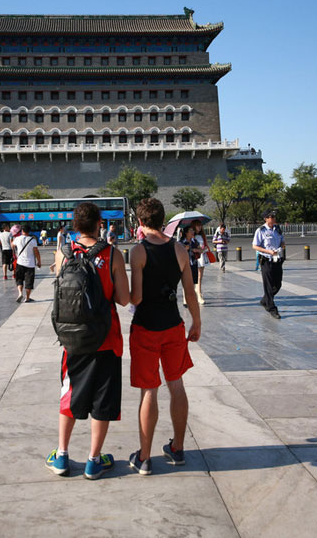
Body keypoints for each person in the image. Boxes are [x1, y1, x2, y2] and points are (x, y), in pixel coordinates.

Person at [46, 202, 129, 479]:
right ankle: (94, 460)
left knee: (69, 395)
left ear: (74, 224)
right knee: (102, 400)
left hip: (73, 339)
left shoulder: (63, 253)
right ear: (99, 224)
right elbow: (124, 299)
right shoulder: (112, 253)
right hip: (106, 338)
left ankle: (61, 455)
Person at [127, 198, 201, 475]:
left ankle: (144, 457)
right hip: (173, 326)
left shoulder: (138, 252)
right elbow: (189, 292)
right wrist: (196, 322)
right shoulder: (179, 249)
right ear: (162, 221)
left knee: (150, 390)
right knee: (177, 384)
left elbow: (136, 297)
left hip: (146, 327)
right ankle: (178, 448)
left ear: (140, 222)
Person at [252, 210, 285, 319]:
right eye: (271, 216)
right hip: (266, 260)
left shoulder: (278, 229)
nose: (274, 218)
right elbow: (255, 246)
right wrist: (268, 251)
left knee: (278, 284)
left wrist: (281, 247)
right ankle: (272, 308)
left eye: (274, 216)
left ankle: (265, 300)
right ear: (266, 218)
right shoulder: (260, 230)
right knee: (269, 286)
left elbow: (282, 242)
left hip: (277, 259)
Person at [12, 227, 41, 302]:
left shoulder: (17, 239)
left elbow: (12, 245)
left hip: (20, 262)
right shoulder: (33, 240)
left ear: (22, 231)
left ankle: (20, 293)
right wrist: (39, 261)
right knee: (29, 281)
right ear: (29, 232)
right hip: (30, 264)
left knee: (19, 279)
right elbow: (36, 251)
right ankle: (27, 298)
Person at [179, 226, 200, 308]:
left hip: (193, 263)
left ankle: (191, 297)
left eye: (193, 230)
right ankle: (185, 300)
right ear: (186, 232)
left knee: (193, 282)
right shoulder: (181, 242)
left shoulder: (195, 241)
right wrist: (185, 249)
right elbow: (178, 252)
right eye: (191, 230)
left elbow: (201, 250)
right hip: (185, 264)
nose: (193, 232)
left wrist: (197, 250)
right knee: (185, 282)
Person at [191, 220, 210, 304]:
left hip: (202, 256)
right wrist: (198, 249)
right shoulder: (192, 236)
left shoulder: (202, 235)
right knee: (196, 276)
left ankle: (198, 291)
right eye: (198, 225)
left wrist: (204, 248)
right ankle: (198, 294)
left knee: (200, 276)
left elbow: (205, 245)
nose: (199, 227)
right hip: (195, 257)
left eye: (200, 225)